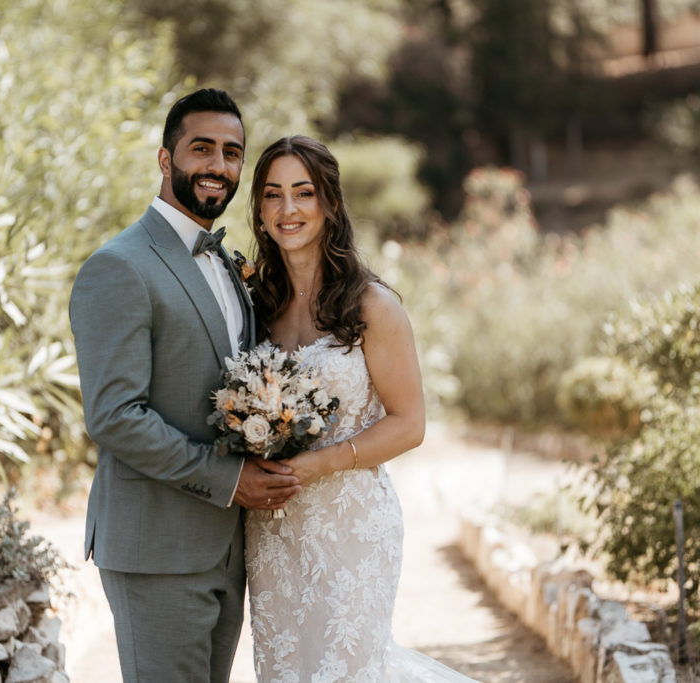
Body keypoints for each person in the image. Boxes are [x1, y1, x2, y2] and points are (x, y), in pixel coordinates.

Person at [69, 89, 301, 683]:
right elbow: (116, 415)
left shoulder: (229, 263)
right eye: (202, 149)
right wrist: (230, 480)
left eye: (231, 152)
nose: (218, 166)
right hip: (157, 549)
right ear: (165, 159)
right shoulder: (119, 267)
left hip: (226, 549)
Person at [243, 135, 478, 682]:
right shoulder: (255, 305)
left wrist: (320, 463)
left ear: (329, 203)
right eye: (273, 194)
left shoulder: (373, 305)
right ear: (258, 208)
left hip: (350, 524)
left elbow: (410, 424)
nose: (288, 209)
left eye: (303, 193)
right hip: (272, 532)